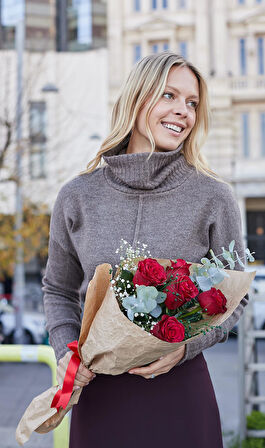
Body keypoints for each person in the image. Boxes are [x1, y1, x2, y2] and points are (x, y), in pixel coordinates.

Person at [42, 52, 248, 448]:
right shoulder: (77, 196)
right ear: (136, 98)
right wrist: (66, 353)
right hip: (99, 393)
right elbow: (57, 290)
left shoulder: (214, 196)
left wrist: (187, 346)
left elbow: (234, 298)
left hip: (181, 391)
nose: (183, 112)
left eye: (191, 103)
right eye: (169, 95)